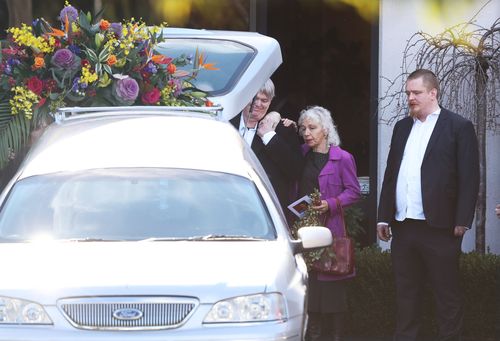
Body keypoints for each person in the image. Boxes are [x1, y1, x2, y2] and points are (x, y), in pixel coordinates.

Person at [377, 69, 479, 341]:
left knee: (446, 294)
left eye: (416, 92)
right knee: (406, 293)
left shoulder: (458, 126)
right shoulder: (401, 127)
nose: (410, 97)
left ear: (433, 93)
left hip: (440, 227)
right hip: (403, 226)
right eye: (408, 93)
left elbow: (470, 177)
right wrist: (383, 216)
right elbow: (391, 174)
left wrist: (462, 219)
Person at [296, 106, 361, 341]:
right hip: (304, 231)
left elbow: (354, 192)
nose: (306, 132)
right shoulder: (301, 154)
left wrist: (331, 203)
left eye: (312, 128)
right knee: (311, 289)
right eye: (303, 128)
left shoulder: (342, 158)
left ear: (325, 129)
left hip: (331, 231)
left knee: (332, 290)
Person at [230, 79, 303, 212]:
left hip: (265, 210)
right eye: (254, 98)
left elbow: (296, 172)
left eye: (264, 100)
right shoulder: (225, 122)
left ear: (271, 102)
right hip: (226, 201)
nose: (258, 104)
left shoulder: (283, 130)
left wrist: (269, 137)